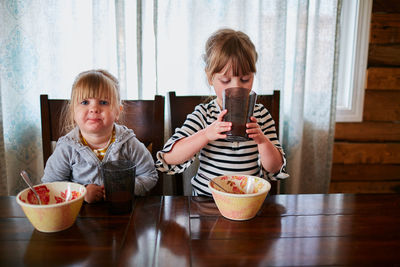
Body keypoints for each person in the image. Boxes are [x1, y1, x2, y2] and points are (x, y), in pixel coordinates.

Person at [156, 28, 288, 196]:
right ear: (210, 78)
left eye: (245, 79)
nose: (237, 87)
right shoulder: (204, 114)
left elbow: (275, 168)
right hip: (207, 201)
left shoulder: (261, 115)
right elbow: (169, 158)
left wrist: (262, 141)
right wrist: (206, 135)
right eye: (226, 80)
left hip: (248, 201)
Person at [42, 69, 158, 203]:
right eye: (85, 102)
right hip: (80, 218)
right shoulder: (67, 147)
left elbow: (149, 175)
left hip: (124, 214)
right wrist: (81, 193)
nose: (94, 109)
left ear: (117, 112)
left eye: (103, 102)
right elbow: (51, 184)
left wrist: (124, 189)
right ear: (73, 112)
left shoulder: (128, 143)